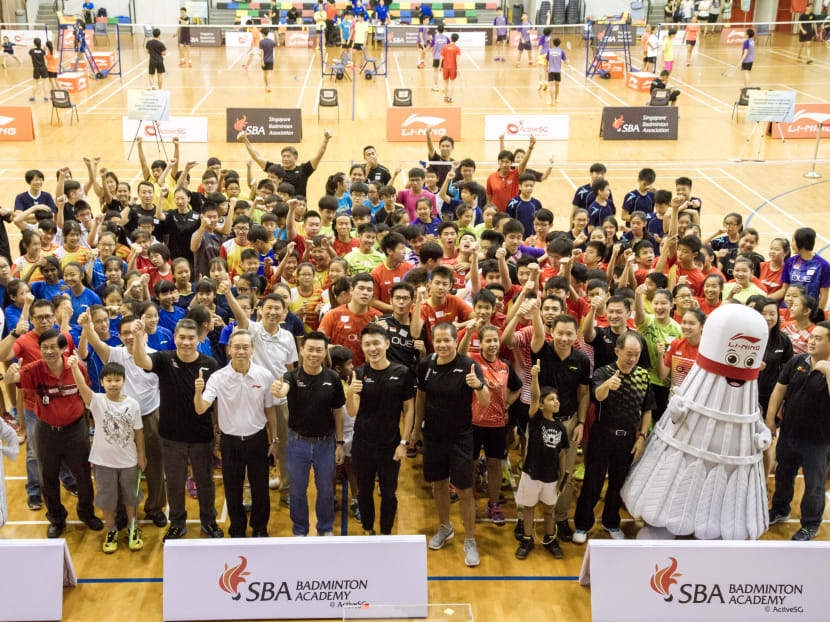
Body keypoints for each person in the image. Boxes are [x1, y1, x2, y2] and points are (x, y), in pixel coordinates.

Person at [5, 329, 103, 538]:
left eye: (53, 347)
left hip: (76, 429)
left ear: (63, 348)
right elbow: (13, 380)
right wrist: (11, 376)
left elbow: (86, 394)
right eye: (44, 347)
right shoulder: (34, 369)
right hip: (46, 432)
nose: (48, 351)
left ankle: (87, 513)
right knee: (47, 477)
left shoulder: (75, 367)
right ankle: (57, 519)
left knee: (84, 476)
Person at [132, 318, 224, 541]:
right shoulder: (165, 359)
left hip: (202, 437)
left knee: (205, 483)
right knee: (174, 483)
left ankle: (209, 522)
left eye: (191, 338)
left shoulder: (210, 364)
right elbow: (141, 360)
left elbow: (215, 403)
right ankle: (177, 523)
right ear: (175, 338)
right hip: (171, 437)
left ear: (198, 339)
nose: (186, 342)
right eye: (181, 337)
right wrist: (137, 337)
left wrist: (217, 432)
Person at [78, 312, 168, 528]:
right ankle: (121, 514)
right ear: (118, 336)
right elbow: (97, 344)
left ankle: (155, 508)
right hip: (121, 421)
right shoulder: (115, 355)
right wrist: (88, 326)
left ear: (144, 332)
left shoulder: (156, 357)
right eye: (125, 333)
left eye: (134, 331)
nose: (130, 336)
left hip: (149, 417)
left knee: (154, 466)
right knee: (122, 469)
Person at [413, 322, 490, 567]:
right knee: (439, 485)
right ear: (433, 342)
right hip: (433, 436)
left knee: (465, 490)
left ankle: (469, 539)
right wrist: (416, 429)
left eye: (448, 340)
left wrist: (478, 386)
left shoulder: (469, 365)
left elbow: (485, 401)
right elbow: (421, 398)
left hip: (461, 437)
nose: (444, 345)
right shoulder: (426, 365)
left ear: (455, 341)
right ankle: (445, 527)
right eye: (439, 341)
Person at [195, 330, 278, 538]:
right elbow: (201, 408)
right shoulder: (218, 377)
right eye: (236, 347)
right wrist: (198, 392)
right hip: (230, 442)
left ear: (252, 350)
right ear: (229, 350)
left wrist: (274, 440)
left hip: (258, 439)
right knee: (233, 490)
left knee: (261, 489)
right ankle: (237, 528)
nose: (241, 351)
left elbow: (270, 410)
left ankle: (260, 528)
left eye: (245, 347)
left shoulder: (264, 375)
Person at [573, 333, 655, 543]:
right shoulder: (603, 372)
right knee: (593, 481)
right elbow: (597, 396)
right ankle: (582, 525)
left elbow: (647, 410)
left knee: (618, 483)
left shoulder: (643, 376)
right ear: (617, 351)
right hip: (602, 435)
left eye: (637, 355)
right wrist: (608, 385)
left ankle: (611, 522)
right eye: (629, 354)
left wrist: (642, 437)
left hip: (627, 438)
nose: (633, 358)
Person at [223, 290, 297, 505]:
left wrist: (287, 391)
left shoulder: (288, 337)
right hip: (251, 401)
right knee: (249, 450)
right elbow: (239, 316)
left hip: (279, 401)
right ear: (260, 310)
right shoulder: (252, 330)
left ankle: (286, 491)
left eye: (278, 309)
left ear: (285, 313)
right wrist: (227, 291)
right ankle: (248, 491)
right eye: (269, 308)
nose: (273, 312)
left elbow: (290, 369)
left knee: (284, 447)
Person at [271, 331, 346, 536]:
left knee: (326, 492)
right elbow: (283, 389)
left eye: (319, 350)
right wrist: (279, 390)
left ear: (324, 353)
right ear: (301, 351)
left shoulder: (333, 378)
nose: (314, 354)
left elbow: (339, 413)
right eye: (310, 349)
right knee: (297, 491)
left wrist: (340, 443)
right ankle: (300, 531)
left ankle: (325, 529)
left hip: (326, 444)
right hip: (297, 444)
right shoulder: (291, 376)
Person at [69, 356, 146, 553]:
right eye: (109, 380)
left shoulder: (133, 405)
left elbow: (138, 432)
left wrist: (141, 456)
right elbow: (81, 386)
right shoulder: (96, 401)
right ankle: (110, 529)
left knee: (131, 497)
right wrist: (75, 367)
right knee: (107, 498)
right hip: (103, 462)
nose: (113, 384)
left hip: (128, 461)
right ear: (102, 382)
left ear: (123, 381)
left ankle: (132, 527)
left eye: (117, 379)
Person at [347, 324, 416, 535]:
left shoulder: (402, 372)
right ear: (362, 347)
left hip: (390, 445)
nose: (372, 348)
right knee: (364, 492)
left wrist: (404, 443)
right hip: (363, 445)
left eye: (376, 343)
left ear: (386, 343)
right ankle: (368, 529)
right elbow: (352, 412)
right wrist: (350, 393)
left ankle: (386, 532)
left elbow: (409, 408)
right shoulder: (357, 373)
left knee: (388, 493)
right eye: (367, 344)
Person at [767, 322, 830, 541]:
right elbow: (779, 390)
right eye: (812, 337)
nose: (812, 341)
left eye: (819, 338)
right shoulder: (797, 361)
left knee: (814, 485)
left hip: (819, 441)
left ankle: (810, 524)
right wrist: (770, 419)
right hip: (789, 434)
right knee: (784, 475)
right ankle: (780, 509)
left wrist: (828, 371)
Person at [529, 313, 590, 542]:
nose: (564, 338)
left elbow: (584, 393)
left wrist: (581, 423)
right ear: (551, 332)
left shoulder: (582, 360)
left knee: (565, 473)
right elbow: (535, 334)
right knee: (535, 470)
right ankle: (529, 518)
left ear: (576, 335)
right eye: (560, 333)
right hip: (541, 422)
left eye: (569, 334)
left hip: (569, 422)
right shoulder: (541, 352)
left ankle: (561, 518)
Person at [515, 362, 569, 560]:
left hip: (550, 477)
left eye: (557, 399)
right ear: (542, 404)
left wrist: (562, 475)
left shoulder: (561, 427)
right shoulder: (536, 419)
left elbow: (563, 453)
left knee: (549, 510)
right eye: (551, 399)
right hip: (531, 473)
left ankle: (550, 538)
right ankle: (527, 539)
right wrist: (535, 377)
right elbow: (535, 396)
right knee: (529, 508)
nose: (556, 402)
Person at [440, 33, 460, 104]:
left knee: (445, 82)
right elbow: (458, 59)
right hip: (453, 67)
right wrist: (458, 68)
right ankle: (450, 98)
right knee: (452, 83)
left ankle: (445, 97)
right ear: (457, 40)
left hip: (445, 67)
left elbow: (441, 57)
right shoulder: (457, 48)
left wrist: (440, 66)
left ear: (450, 38)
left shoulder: (445, 47)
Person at [546, 38, 567, 105]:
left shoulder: (549, 51)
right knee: (557, 85)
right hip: (558, 71)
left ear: (553, 43)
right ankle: (556, 99)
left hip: (551, 71)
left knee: (551, 86)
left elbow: (547, 60)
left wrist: (546, 68)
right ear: (559, 43)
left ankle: (551, 101)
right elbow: (565, 61)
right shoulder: (561, 51)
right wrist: (567, 63)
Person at [28, 38, 48, 103]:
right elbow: (44, 54)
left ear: (34, 43)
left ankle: (32, 96)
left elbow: (31, 53)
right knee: (44, 83)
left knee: (35, 83)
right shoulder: (42, 51)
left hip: (36, 68)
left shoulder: (31, 51)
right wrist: (45, 49)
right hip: (43, 68)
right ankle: (46, 97)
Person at [260, 28, 276, 93]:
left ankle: (266, 85)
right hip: (271, 60)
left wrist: (262, 61)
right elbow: (274, 51)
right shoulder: (272, 41)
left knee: (265, 73)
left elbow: (262, 52)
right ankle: (269, 86)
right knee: (269, 73)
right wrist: (274, 58)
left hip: (264, 60)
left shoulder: (261, 42)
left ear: (263, 34)